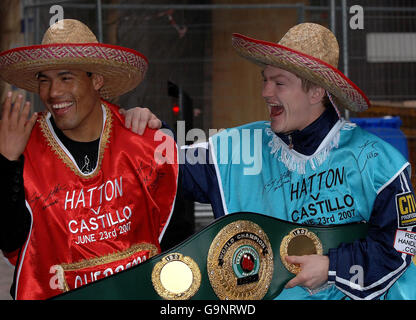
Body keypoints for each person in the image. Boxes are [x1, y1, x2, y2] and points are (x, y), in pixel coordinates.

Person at [126, 23, 416, 300]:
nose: (266, 92)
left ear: (316, 91)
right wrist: (147, 131)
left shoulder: (377, 162)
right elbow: (174, 164)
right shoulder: (240, 146)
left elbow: (402, 246)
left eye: (279, 83)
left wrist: (331, 267)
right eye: (265, 79)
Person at [0, 19, 178, 300]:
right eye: (44, 79)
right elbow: (10, 241)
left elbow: (174, 244)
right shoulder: (21, 144)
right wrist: (7, 162)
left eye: (66, 77)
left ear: (96, 79)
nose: (53, 92)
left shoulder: (142, 143)